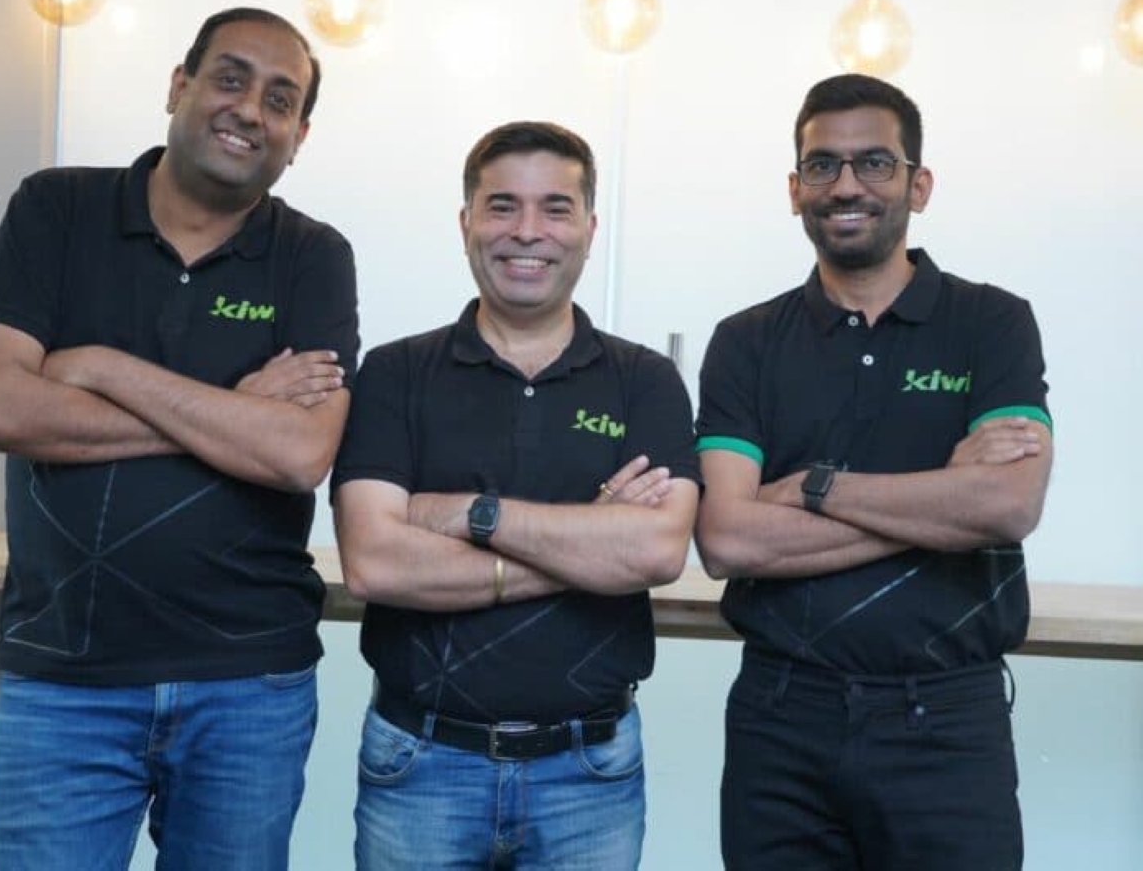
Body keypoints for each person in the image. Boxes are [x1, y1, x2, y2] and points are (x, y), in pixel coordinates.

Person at [0, 7, 358, 870]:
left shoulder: (312, 256)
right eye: (230, 77)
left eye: (281, 99)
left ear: (300, 135)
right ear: (178, 85)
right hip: (63, 676)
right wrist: (231, 410)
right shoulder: (56, 210)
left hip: (247, 683)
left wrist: (96, 364)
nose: (251, 109)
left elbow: (296, 454)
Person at [695, 73, 1053, 870]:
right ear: (794, 190)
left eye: (875, 163)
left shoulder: (992, 323)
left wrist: (816, 489)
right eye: (822, 166)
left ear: (918, 185)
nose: (846, 185)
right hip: (781, 716)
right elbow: (726, 538)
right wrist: (937, 504)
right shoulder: (746, 342)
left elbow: (1006, 505)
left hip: (949, 720)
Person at [331, 120, 700, 870]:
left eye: (555, 208)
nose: (527, 231)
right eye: (502, 206)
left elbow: (658, 550)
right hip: (420, 765)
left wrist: (471, 516)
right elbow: (374, 561)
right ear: (466, 222)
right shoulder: (398, 374)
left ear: (590, 229)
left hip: (589, 772)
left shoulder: (644, 383)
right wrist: (590, 540)